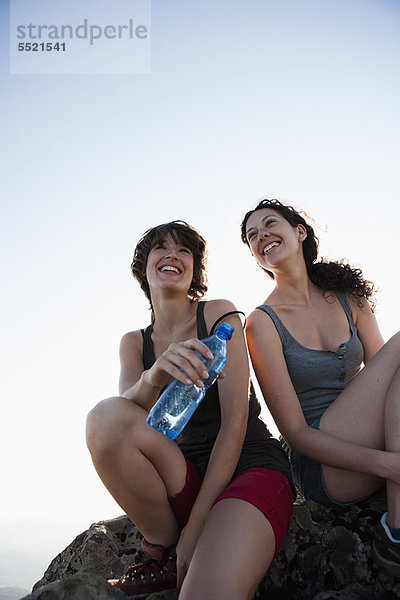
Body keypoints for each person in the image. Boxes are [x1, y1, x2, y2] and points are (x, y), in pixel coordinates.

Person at [86, 220, 294, 600]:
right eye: (160, 248)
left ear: (195, 269)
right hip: (181, 474)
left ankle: (197, 540)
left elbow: (236, 420)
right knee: (103, 417)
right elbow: (124, 421)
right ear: (143, 267)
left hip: (246, 467)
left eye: (184, 250)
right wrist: (155, 374)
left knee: (205, 592)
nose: (172, 255)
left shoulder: (218, 315)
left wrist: (197, 526)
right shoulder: (134, 342)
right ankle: (163, 547)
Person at [240, 198, 400, 578]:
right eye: (252, 236)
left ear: (300, 231)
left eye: (269, 224)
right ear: (255, 254)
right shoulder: (262, 323)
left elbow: (388, 381)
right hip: (325, 465)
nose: (261, 235)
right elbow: (295, 433)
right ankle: (396, 533)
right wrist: (390, 465)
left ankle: (395, 530)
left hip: (373, 442)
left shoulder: (350, 299)